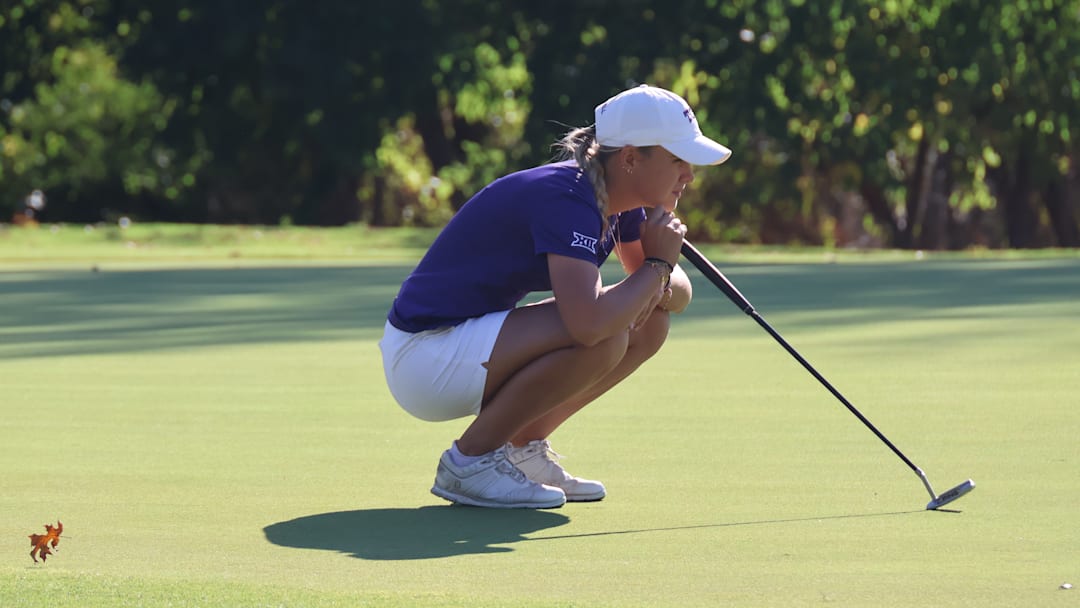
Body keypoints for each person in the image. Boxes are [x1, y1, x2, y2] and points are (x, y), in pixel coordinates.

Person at [379, 84, 731, 509]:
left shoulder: (620, 199)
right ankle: (469, 461)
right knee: (607, 333)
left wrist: (656, 269)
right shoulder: (567, 197)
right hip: (423, 356)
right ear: (631, 158)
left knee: (650, 322)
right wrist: (657, 266)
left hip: (463, 349)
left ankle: (523, 450)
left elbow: (675, 297)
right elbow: (589, 324)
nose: (690, 175)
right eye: (678, 160)